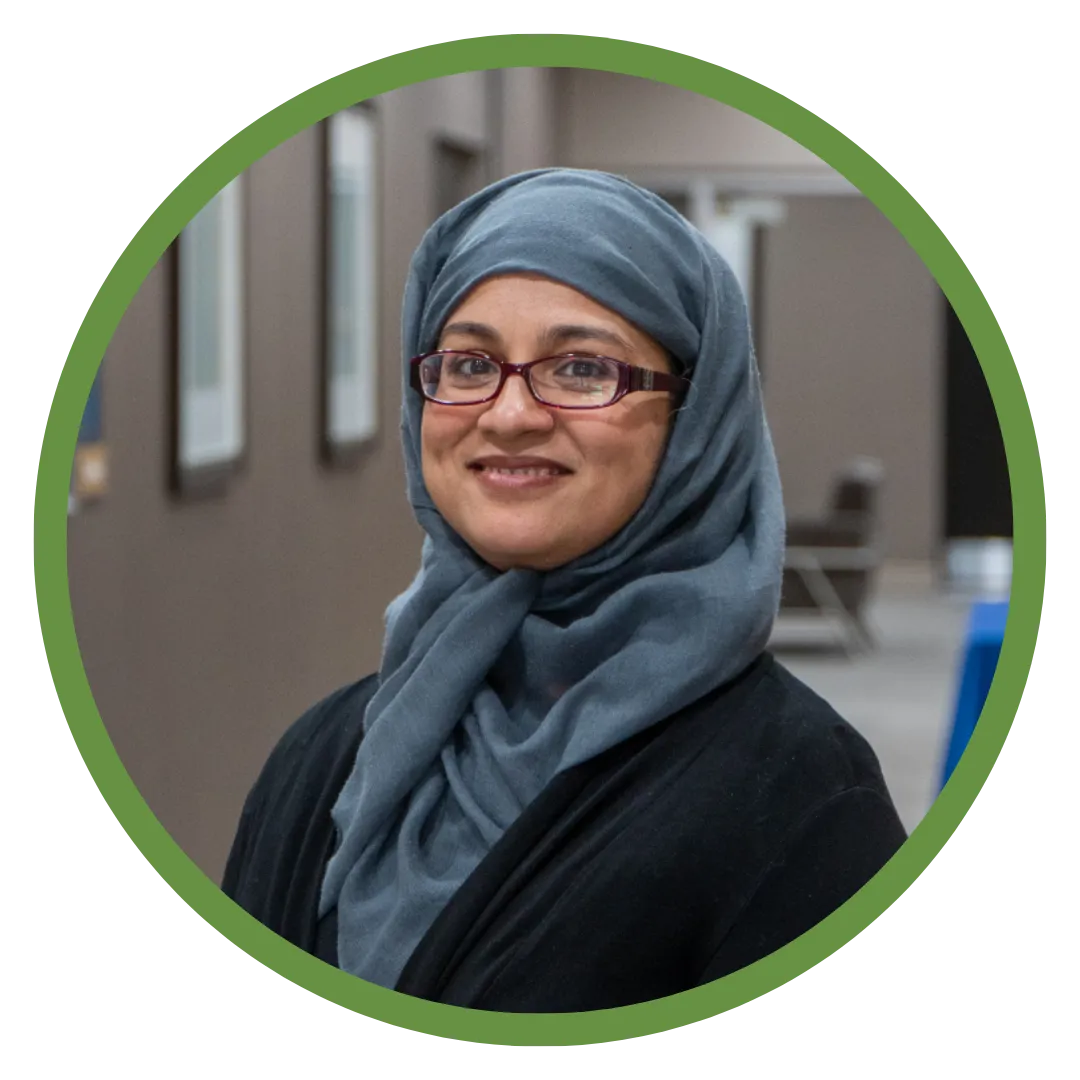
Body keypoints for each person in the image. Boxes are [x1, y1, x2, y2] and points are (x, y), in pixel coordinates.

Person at [222, 168, 907, 1012]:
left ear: (691, 417)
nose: (509, 414)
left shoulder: (800, 794)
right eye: (469, 363)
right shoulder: (322, 755)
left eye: (581, 368)